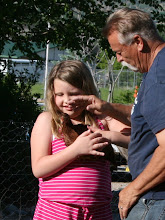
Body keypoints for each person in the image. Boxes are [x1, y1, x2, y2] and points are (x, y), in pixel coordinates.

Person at [69, 7, 165, 220]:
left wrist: (133, 189)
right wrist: (109, 109)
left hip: (157, 199)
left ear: (138, 42)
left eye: (119, 52)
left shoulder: (159, 78)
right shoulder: (158, 68)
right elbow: (153, 119)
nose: (119, 59)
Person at [31, 60, 130, 220]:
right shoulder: (48, 120)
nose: (67, 100)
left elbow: (136, 138)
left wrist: (109, 136)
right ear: (52, 93)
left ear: (87, 90)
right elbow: (38, 168)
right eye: (60, 95)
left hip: (98, 211)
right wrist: (76, 150)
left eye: (74, 93)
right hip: (57, 210)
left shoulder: (102, 119)